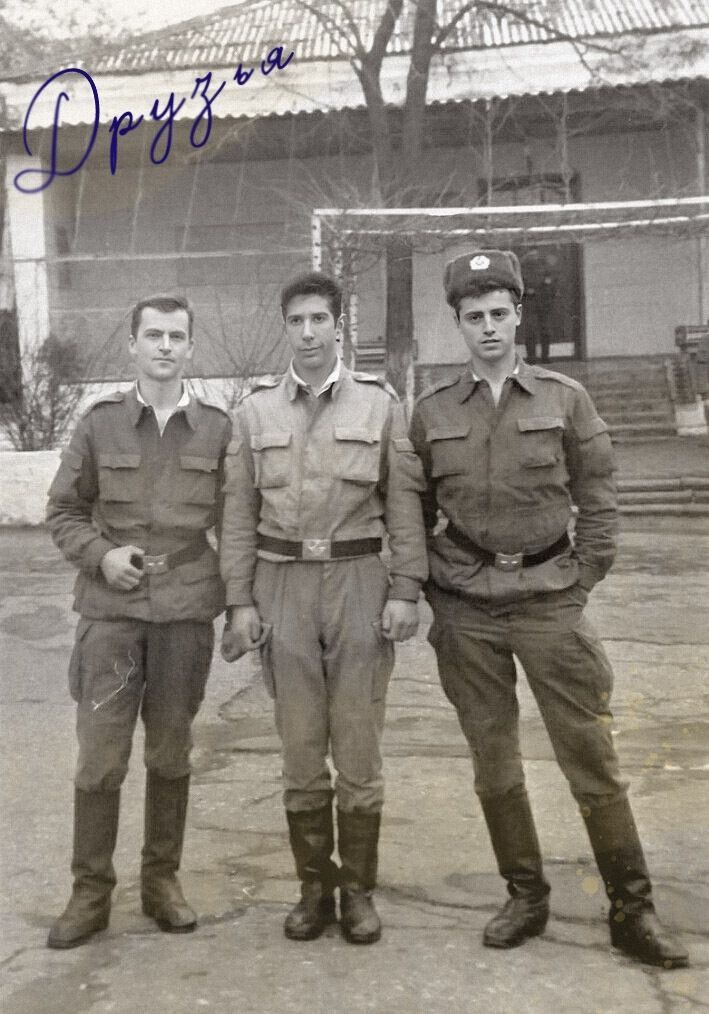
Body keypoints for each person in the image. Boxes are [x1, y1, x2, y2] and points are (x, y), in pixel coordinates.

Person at [408, 250, 688, 968]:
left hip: (548, 602)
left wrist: (581, 579)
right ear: (458, 324)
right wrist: (431, 585)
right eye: (474, 316)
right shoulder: (432, 410)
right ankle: (525, 896)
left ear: (518, 316)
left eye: (499, 313)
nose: (488, 327)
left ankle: (632, 908)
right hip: (466, 608)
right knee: (493, 759)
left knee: (590, 757)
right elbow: (412, 505)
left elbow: (599, 494)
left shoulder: (565, 399)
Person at [220, 271, 427, 945]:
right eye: (296, 321)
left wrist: (405, 589)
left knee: (358, 744)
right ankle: (314, 889)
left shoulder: (379, 404)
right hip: (281, 583)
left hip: (358, 579)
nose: (307, 333)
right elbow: (237, 515)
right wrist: (239, 600)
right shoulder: (254, 412)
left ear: (338, 325)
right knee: (301, 745)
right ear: (285, 327)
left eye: (318, 320)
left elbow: (403, 504)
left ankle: (357, 892)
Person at [45, 294, 231, 948]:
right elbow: (63, 510)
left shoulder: (216, 429)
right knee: (100, 758)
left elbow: (235, 523)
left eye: (176, 336)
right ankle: (90, 893)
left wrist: (241, 602)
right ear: (133, 345)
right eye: (153, 335)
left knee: (171, 753)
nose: (165, 347)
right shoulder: (99, 425)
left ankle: (161, 883)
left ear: (190, 347)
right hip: (112, 617)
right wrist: (101, 555)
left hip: (184, 614)